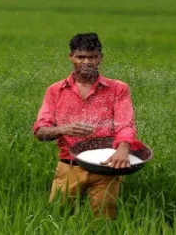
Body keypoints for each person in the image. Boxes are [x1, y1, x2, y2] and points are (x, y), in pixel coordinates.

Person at [32, 33, 140, 220]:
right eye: (80, 57)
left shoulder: (118, 88)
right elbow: (40, 131)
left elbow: (125, 124)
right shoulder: (55, 90)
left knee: (104, 222)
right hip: (69, 166)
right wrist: (63, 129)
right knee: (56, 219)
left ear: (100, 58)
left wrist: (123, 148)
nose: (86, 62)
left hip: (106, 168)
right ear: (71, 57)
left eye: (92, 57)